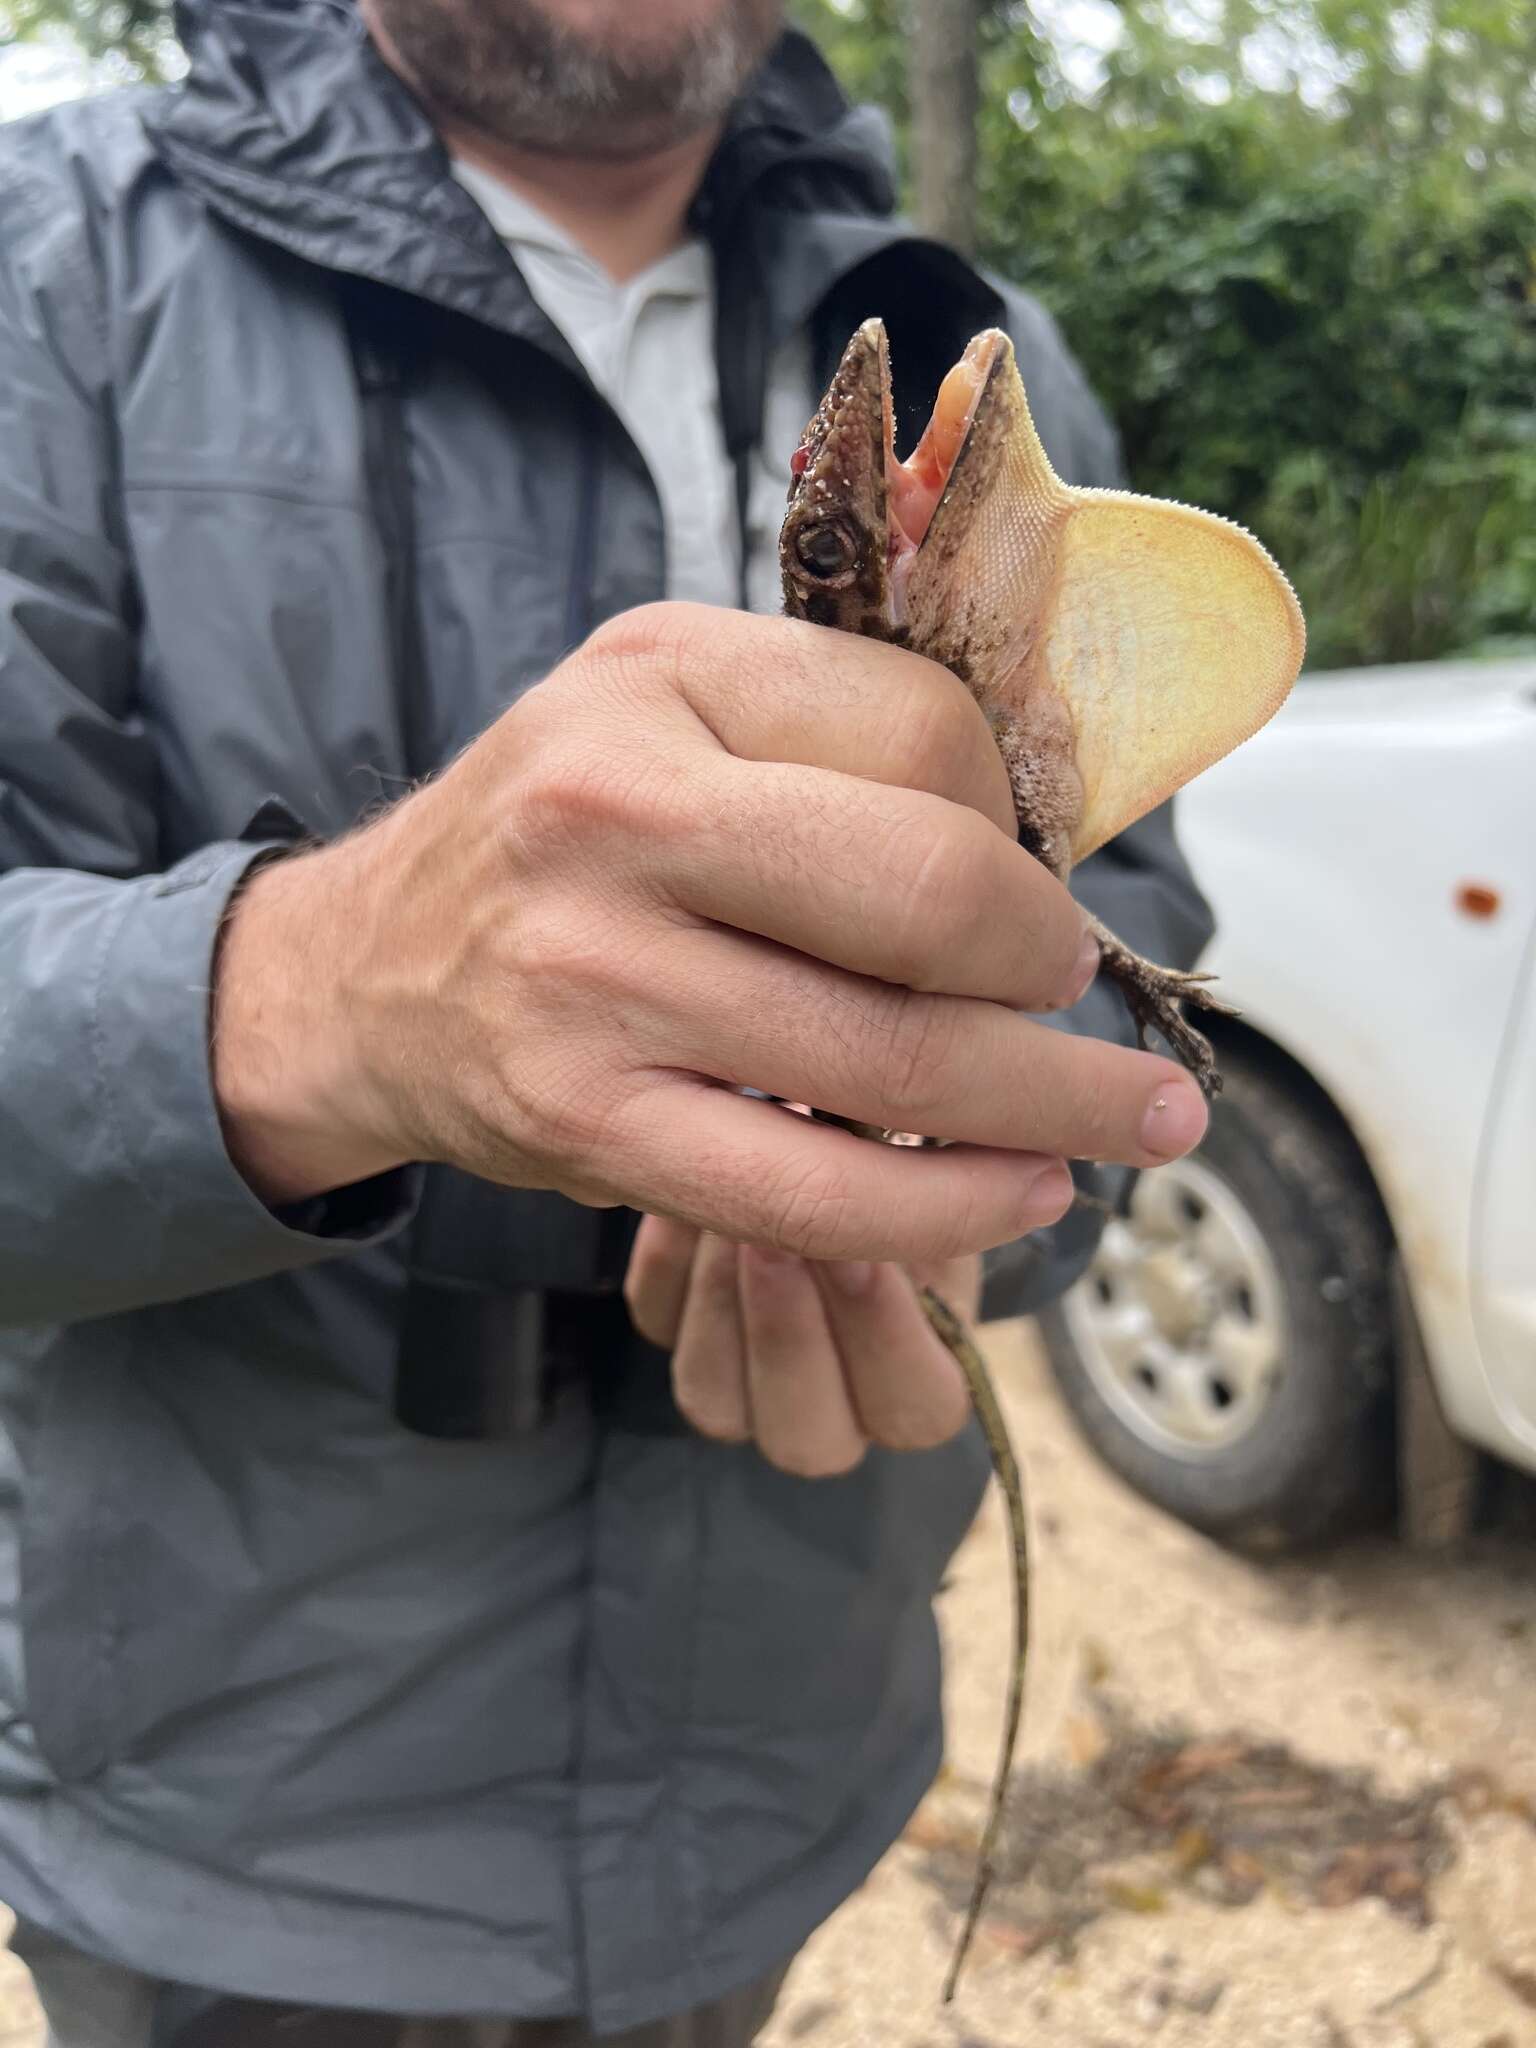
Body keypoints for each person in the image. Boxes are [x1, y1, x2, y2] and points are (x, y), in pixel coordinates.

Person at [0, 0, 1216, 2040]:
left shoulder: (968, 356)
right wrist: (327, 991)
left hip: (772, 1785)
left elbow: (1134, 934)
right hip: (221, 1832)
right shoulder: (49, 261)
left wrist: (977, 1201)